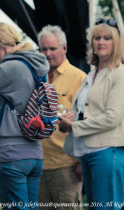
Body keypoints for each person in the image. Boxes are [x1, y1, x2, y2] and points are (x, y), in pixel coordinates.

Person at [60, 17, 124, 208]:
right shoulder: (92, 74)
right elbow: (84, 112)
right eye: (97, 38)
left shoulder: (121, 73)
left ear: (116, 43)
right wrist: (68, 121)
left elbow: (112, 117)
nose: (101, 42)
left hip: (109, 151)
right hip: (89, 152)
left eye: (107, 38)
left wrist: (75, 126)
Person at [0, 23, 49, 209]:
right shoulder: (36, 66)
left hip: (12, 154)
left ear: (1, 45)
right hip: (35, 155)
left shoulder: (11, 68)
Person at [37, 25, 86, 210]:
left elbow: (86, 122)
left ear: (64, 48)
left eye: (52, 48)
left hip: (66, 165)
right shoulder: (36, 77)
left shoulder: (79, 78)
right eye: (43, 49)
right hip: (38, 164)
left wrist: (81, 161)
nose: (48, 53)